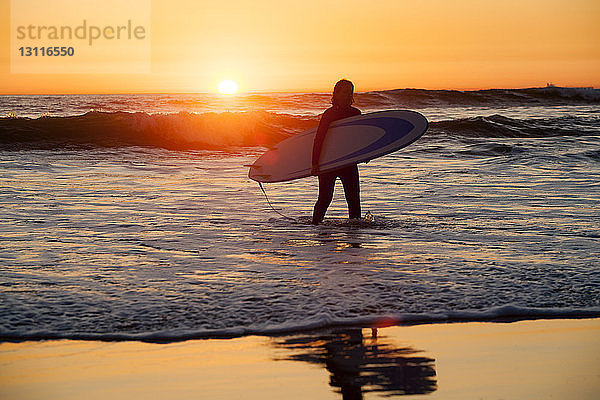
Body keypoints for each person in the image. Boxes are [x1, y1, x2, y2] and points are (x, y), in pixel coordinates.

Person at [311, 79, 362, 224]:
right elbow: (319, 139)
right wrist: (315, 163)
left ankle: (355, 233)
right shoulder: (329, 114)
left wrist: (366, 153)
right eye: (344, 92)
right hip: (329, 163)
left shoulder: (356, 113)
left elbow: (360, 138)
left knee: (353, 199)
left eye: (350, 92)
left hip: (348, 162)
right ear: (336, 94)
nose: (348, 95)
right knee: (325, 198)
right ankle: (316, 227)